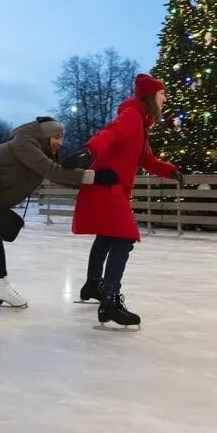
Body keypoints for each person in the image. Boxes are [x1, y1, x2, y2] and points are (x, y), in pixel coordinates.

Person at [0, 117, 96, 333]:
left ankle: (2, 288)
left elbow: (57, 176)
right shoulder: (25, 144)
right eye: (56, 137)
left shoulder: (41, 151)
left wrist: (93, 180)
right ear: (45, 135)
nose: (59, 143)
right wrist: (91, 177)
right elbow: (52, 171)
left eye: (61, 138)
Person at [69, 74, 183, 329]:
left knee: (108, 237)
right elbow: (109, 134)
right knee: (124, 237)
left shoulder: (142, 123)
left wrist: (170, 170)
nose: (165, 98)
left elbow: (147, 159)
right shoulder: (132, 116)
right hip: (107, 187)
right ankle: (109, 300)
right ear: (150, 96)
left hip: (113, 189)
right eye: (162, 94)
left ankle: (93, 284)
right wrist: (90, 151)